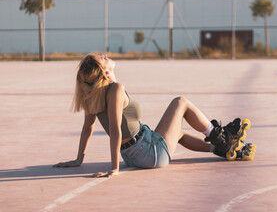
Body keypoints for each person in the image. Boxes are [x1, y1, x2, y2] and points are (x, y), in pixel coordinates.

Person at [54, 53, 242, 178]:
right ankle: (219, 136)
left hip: (134, 154)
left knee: (179, 134)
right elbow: (115, 129)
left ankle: (219, 149)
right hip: (148, 151)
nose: (105, 55)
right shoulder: (116, 90)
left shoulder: (94, 94)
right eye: (102, 58)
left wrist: (79, 160)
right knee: (180, 102)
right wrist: (114, 168)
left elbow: (88, 128)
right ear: (105, 71)